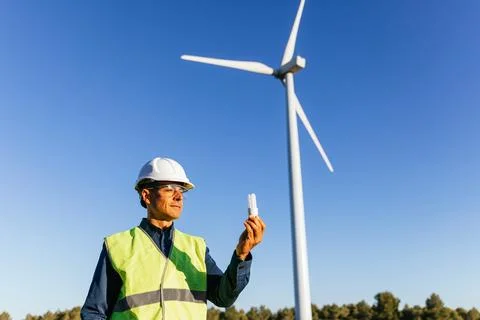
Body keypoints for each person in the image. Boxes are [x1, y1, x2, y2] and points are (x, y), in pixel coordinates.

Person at [81, 157, 266, 319]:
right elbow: (94, 313)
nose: (179, 196)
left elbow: (223, 297)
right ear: (146, 195)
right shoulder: (118, 246)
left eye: (182, 190)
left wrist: (242, 254)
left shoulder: (196, 247)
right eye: (169, 188)